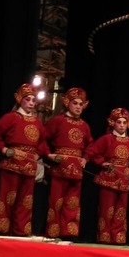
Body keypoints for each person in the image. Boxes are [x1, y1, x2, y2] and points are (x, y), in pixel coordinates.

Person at [0, 83, 53, 237]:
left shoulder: (37, 122)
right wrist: (3, 149)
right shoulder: (10, 118)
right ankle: (2, 229)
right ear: (19, 100)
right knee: (7, 197)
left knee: (26, 200)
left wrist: (38, 154)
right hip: (12, 163)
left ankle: (21, 230)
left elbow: (42, 142)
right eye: (28, 99)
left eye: (33, 100)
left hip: (29, 166)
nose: (31, 103)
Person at [44, 87, 93, 240]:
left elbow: (90, 145)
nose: (78, 107)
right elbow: (43, 139)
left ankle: (68, 233)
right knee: (56, 202)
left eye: (80, 104)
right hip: (60, 167)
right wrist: (49, 154)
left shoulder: (84, 126)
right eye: (75, 103)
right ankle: (53, 233)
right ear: (67, 103)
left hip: (76, 170)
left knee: (72, 203)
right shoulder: (57, 121)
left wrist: (85, 158)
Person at [88, 107, 129, 245]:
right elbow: (93, 152)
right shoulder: (106, 139)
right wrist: (103, 163)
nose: (122, 125)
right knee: (106, 209)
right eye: (119, 122)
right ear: (113, 123)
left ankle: (118, 237)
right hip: (109, 177)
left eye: (124, 122)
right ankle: (104, 236)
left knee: (121, 210)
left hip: (123, 179)